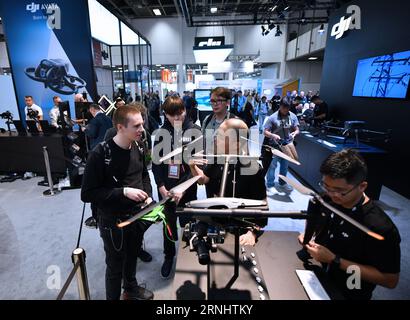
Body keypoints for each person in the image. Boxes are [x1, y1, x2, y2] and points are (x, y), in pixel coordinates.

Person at [297, 149, 401, 300]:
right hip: (316, 278)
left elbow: (390, 280)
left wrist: (335, 260)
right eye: (326, 186)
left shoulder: (379, 227)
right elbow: (314, 219)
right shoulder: (325, 199)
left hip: (350, 291)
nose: (332, 195)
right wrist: (310, 234)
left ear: (362, 186)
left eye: (340, 191)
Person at [81, 104, 154, 300]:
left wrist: (147, 195)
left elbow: (144, 174)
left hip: (137, 216)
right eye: (136, 126)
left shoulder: (137, 146)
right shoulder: (100, 154)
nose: (142, 129)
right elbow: (87, 194)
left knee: (131, 258)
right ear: (121, 127)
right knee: (115, 266)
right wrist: (123, 192)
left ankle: (130, 288)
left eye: (142, 124)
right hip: (113, 222)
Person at [190, 118, 267, 246]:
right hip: (214, 224)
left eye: (220, 136)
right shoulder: (217, 158)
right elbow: (203, 180)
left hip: (241, 230)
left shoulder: (253, 168)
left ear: (236, 144)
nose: (215, 139)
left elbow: (263, 207)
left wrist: (252, 233)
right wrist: (192, 166)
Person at [152, 96, 200, 278]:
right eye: (173, 115)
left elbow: (196, 165)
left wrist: (183, 189)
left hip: (187, 190)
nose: (177, 118)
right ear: (165, 114)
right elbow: (156, 164)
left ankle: (188, 258)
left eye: (180, 113)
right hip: (167, 190)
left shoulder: (194, 131)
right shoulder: (160, 133)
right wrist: (161, 186)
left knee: (188, 225)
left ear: (185, 110)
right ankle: (169, 256)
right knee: (168, 226)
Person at [202, 87, 237, 197]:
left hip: (228, 171)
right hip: (210, 169)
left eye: (219, 101)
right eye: (212, 101)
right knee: (212, 202)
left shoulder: (235, 122)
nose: (215, 104)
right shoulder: (207, 120)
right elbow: (203, 143)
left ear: (227, 102)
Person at [262, 97, 300, 192]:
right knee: (272, 166)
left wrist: (294, 133)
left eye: (288, 108)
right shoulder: (272, 117)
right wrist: (273, 135)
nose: (286, 110)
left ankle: (282, 183)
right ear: (280, 106)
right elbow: (265, 132)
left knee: (285, 166)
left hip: (286, 145)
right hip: (274, 146)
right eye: (284, 108)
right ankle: (270, 185)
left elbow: (297, 129)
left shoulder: (293, 116)